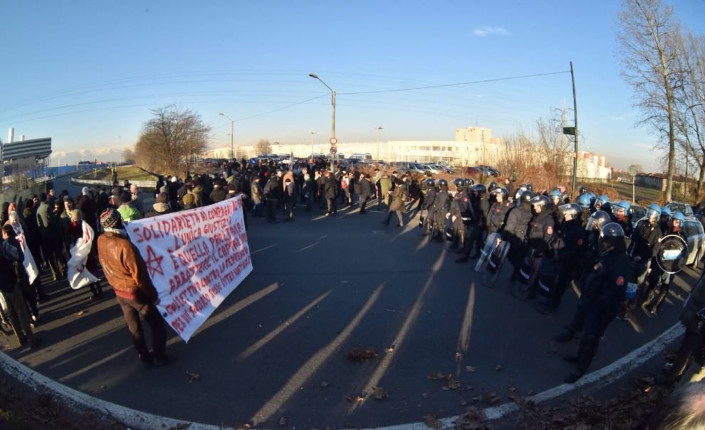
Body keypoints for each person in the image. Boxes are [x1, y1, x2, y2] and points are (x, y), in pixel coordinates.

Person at [554, 222, 632, 383]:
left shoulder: (621, 261)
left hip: (603, 307)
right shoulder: (607, 254)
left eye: (607, 240)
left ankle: (581, 369)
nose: (603, 242)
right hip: (593, 300)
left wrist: (600, 302)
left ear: (614, 241)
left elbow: (617, 288)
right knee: (586, 334)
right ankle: (579, 357)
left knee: (592, 337)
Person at [96, 208, 169, 367]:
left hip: (119, 291)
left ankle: (144, 356)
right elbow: (140, 276)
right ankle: (160, 357)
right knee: (157, 325)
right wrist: (153, 296)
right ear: (117, 221)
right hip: (135, 293)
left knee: (134, 326)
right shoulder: (125, 245)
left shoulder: (101, 240)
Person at [0, 225, 40, 348]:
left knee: (11, 311)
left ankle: (20, 337)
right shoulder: (2, 245)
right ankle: (30, 337)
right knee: (20, 310)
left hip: (2, 284)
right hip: (9, 279)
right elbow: (16, 255)